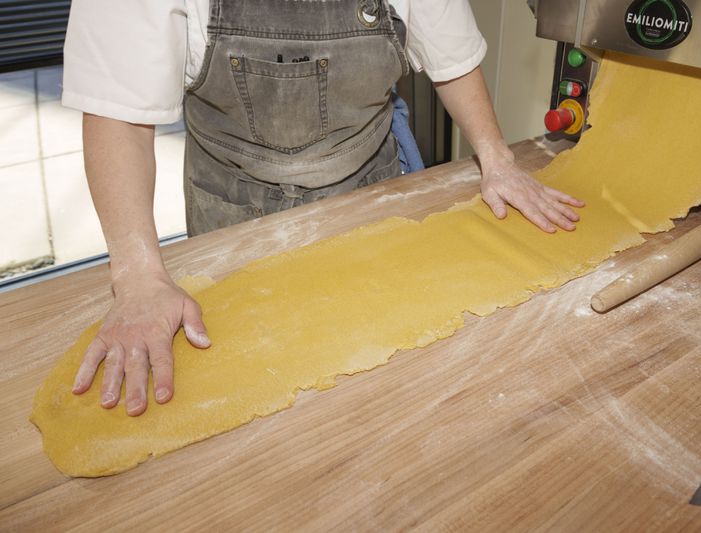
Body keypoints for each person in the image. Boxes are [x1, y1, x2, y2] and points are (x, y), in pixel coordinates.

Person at [64, 0, 584, 416]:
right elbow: (119, 116)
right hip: (232, 201)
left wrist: (497, 160)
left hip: (370, 184)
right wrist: (137, 277)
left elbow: (451, 60)